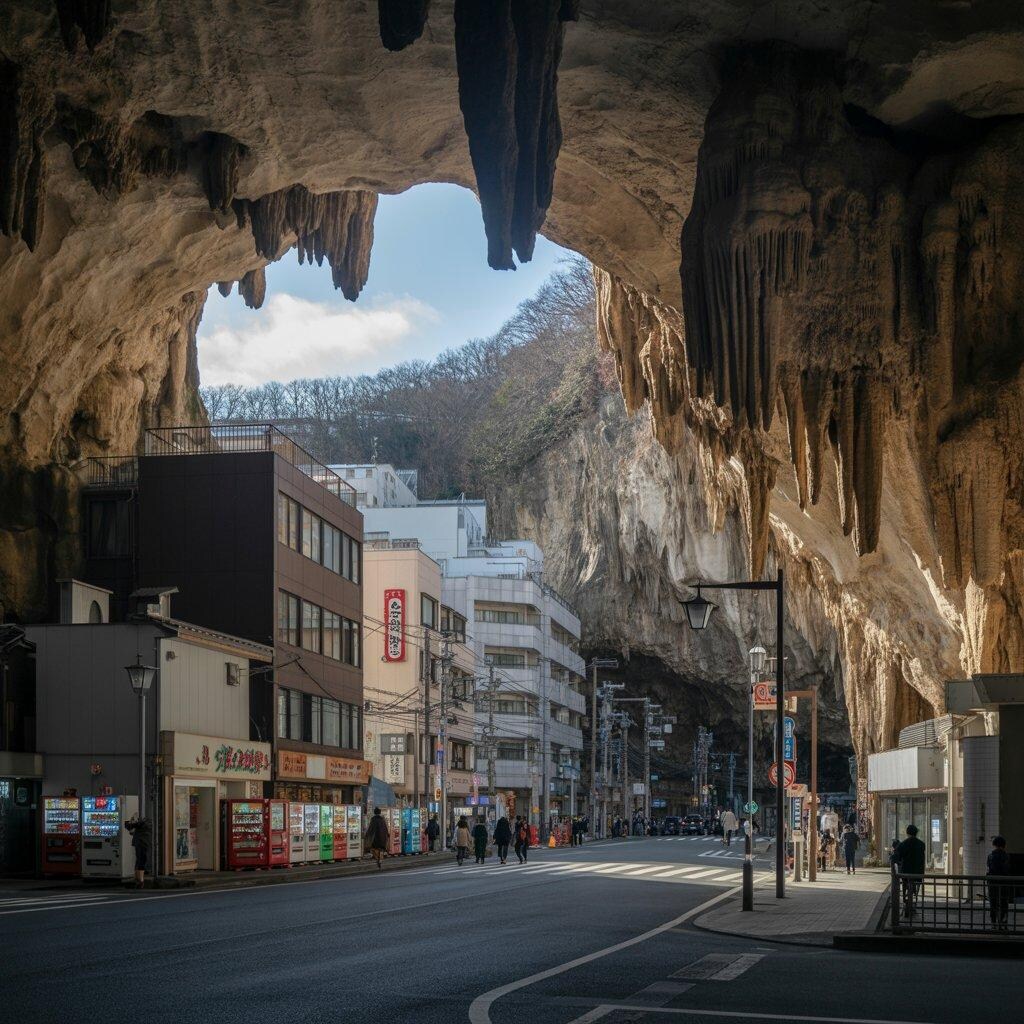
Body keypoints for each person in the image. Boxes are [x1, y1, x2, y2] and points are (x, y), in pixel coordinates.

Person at [893, 824, 926, 916]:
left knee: (905, 887)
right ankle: (912, 905)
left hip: (906, 872)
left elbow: (897, 857)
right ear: (916, 833)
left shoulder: (903, 844)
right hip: (918, 871)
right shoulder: (921, 844)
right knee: (914, 889)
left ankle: (906, 903)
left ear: (907, 833)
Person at [987, 836, 1011, 931]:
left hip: (993, 883)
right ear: (1004, 845)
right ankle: (1003, 923)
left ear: (994, 845)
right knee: (1004, 903)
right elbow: (1008, 869)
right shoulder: (1006, 856)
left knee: (993, 903)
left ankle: (993, 923)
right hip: (1004, 883)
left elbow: (989, 869)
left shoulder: (990, 856)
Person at [125, 815, 152, 889]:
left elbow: (129, 827)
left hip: (140, 843)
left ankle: (138, 879)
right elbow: (131, 828)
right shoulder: (146, 824)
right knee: (142, 860)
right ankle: (140, 880)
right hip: (144, 843)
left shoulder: (141, 824)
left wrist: (128, 821)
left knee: (140, 860)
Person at [365, 807, 389, 871]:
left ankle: (378, 860)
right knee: (381, 849)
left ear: (374, 812)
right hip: (383, 837)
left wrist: (367, 834)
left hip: (376, 837)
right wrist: (387, 835)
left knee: (374, 848)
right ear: (380, 812)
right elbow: (386, 828)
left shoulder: (373, 819)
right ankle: (380, 860)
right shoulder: (382, 819)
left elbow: (371, 828)